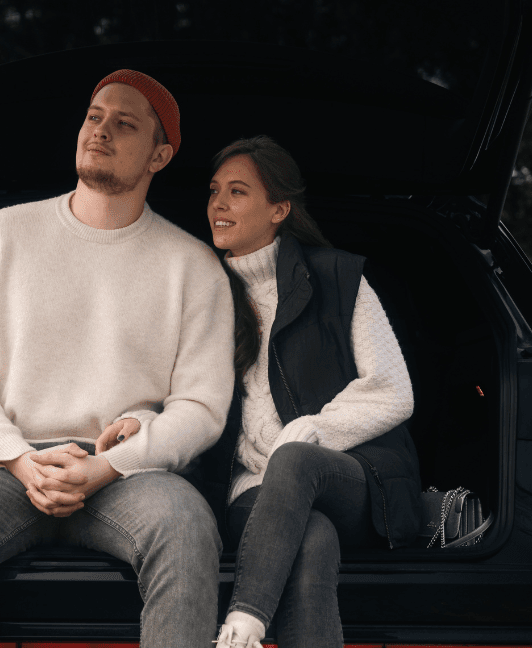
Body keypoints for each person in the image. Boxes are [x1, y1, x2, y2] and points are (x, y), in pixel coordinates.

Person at [0, 69, 236, 648]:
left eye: (125, 124)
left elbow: (200, 407)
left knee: (187, 527)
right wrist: (19, 457)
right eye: (94, 116)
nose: (100, 131)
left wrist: (109, 466)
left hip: (128, 473)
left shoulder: (192, 265)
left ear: (160, 154)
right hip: (3, 467)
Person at [120, 134, 422, 648]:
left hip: (348, 475)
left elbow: (394, 390)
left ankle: (243, 624)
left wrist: (309, 432)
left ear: (279, 208)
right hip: (251, 492)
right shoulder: (201, 291)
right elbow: (171, 393)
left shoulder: (337, 277)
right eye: (214, 190)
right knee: (312, 540)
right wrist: (142, 421)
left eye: (237, 192)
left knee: (296, 460)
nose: (218, 203)